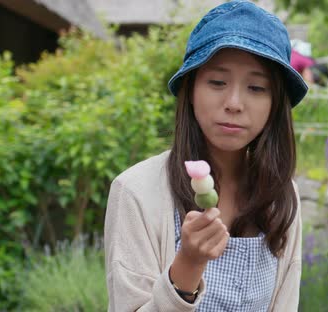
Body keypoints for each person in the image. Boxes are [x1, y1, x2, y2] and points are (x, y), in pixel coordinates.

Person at [104, 1, 307, 311]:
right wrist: (187, 265)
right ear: (191, 89)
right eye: (217, 82)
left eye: (256, 87)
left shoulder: (281, 194)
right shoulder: (135, 191)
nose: (234, 102)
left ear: (275, 104)